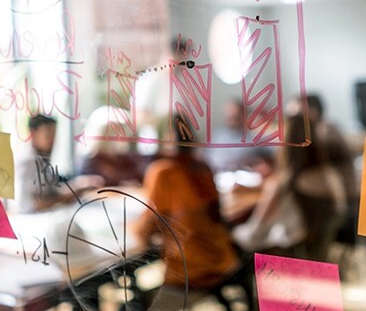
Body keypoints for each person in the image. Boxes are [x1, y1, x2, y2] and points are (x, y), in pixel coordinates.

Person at [135, 115, 240, 291]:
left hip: (191, 268)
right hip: (223, 258)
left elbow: (146, 229)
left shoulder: (163, 171)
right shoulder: (202, 166)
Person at [233, 113, 347, 261]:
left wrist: (233, 235)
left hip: (290, 253)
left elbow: (254, 234)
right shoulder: (328, 174)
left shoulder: (282, 184)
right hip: (316, 250)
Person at [13, 114, 98, 213]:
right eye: (48, 135)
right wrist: (61, 199)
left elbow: (53, 192)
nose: (52, 141)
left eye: (54, 135)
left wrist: (79, 186)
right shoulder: (26, 162)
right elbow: (29, 205)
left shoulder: (43, 158)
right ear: (33, 133)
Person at [203, 99, 275, 174]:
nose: (232, 120)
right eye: (229, 117)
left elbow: (275, 153)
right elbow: (205, 156)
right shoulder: (218, 134)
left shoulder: (254, 137)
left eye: (236, 117)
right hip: (215, 174)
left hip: (244, 175)